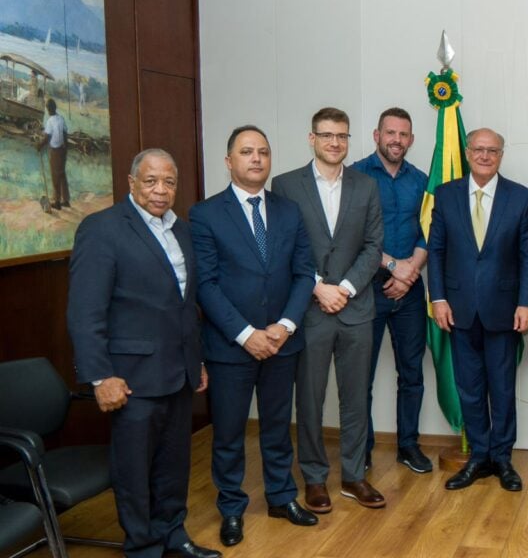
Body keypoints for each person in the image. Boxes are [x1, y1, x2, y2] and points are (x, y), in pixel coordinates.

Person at [67, 149, 221, 558]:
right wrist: (100, 377)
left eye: (168, 182)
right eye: (150, 181)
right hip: (130, 377)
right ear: (131, 183)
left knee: (174, 466)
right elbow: (85, 311)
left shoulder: (182, 230)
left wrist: (198, 359)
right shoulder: (102, 229)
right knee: (134, 472)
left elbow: (186, 305)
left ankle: (174, 536)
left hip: (179, 372)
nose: (160, 190)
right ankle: (143, 547)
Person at [190, 126, 318, 548]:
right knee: (227, 433)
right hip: (231, 346)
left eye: (263, 151)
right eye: (247, 152)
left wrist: (285, 326)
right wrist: (246, 335)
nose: (257, 159)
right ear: (229, 162)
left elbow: (303, 274)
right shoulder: (205, 215)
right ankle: (231, 509)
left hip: (283, 342)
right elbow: (205, 285)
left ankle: (282, 497)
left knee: (279, 428)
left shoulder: (289, 211)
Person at [272, 108, 385, 511]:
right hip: (311, 310)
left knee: (356, 398)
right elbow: (283, 247)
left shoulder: (367, 185)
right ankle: (315, 478)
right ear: (311, 138)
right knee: (311, 399)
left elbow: (374, 246)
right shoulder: (285, 186)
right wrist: (319, 289)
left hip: (357, 309)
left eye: (342, 135)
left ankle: (354, 476)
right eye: (327, 135)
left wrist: (347, 288)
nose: (335, 142)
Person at [427, 128, 528, 492]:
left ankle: (502, 458)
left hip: (505, 311)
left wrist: (525, 303)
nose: (485, 156)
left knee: (502, 388)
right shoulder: (445, 195)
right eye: (479, 149)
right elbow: (437, 251)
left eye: (493, 151)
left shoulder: (521, 198)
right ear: (468, 152)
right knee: (470, 388)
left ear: (501, 155)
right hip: (457, 310)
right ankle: (479, 456)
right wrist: (438, 299)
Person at [352, 107, 433, 473]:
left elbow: (428, 231)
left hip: (410, 292)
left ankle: (408, 446)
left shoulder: (421, 180)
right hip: (367, 290)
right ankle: (362, 449)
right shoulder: (355, 176)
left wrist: (409, 273)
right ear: (376, 135)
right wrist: (391, 266)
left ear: (411, 140)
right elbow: (352, 234)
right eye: (390, 133)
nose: (396, 140)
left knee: (412, 374)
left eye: (403, 134)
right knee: (361, 377)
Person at [37, 98, 70, 210]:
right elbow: (65, 134)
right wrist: (65, 148)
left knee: (55, 176)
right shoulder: (61, 118)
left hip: (55, 151)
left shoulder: (50, 121)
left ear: (48, 109)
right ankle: (65, 200)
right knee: (62, 175)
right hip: (62, 150)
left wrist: (39, 146)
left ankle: (57, 202)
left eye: (47, 108)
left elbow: (46, 138)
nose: (47, 110)